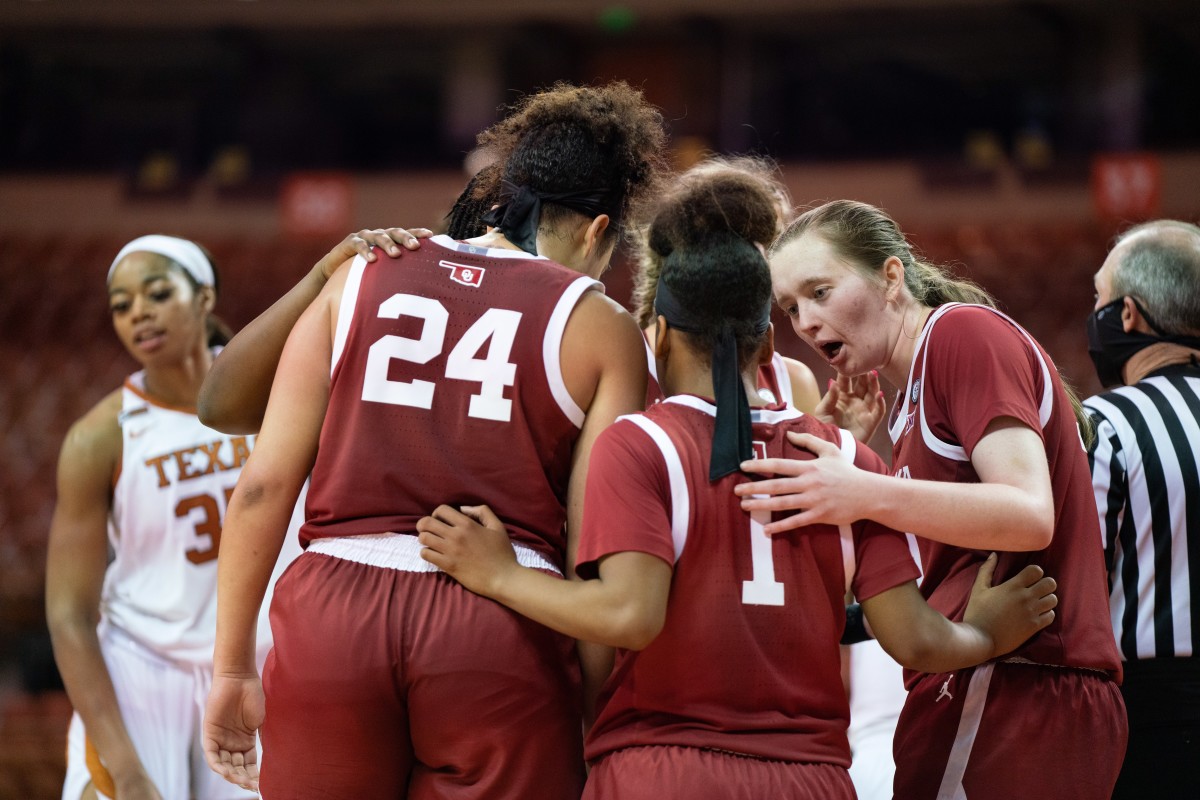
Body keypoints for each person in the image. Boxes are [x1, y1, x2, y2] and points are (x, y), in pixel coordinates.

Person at [415, 216, 1058, 798]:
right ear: (769, 345)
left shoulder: (639, 443)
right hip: (811, 778)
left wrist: (500, 575)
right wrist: (988, 634)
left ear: (659, 334)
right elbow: (914, 640)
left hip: (663, 768)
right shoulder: (846, 461)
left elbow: (625, 615)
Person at [202, 81, 666, 798]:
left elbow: (263, 484)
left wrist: (232, 666)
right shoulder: (598, 324)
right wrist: (593, 704)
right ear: (600, 230)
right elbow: (590, 550)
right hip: (498, 622)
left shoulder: (363, 270)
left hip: (334, 610)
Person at [738, 199, 1127, 799]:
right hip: (1005, 686)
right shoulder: (910, 404)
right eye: (790, 308)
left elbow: (1028, 514)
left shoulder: (959, 333)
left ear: (891, 277)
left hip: (1016, 684)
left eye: (820, 291)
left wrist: (865, 490)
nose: (806, 322)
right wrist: (855, 456)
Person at [45, 236, 297, 800]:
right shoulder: (100, 436)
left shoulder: (282, 396)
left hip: (258, 662)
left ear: (203, 296)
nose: (139, 312)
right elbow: (68, 615)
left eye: (157, 293)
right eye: (121, 304)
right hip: (143, 665)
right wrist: (125, 767)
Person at [629, 155, 885, 436]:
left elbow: (810, 479)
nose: (746, 259)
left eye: (766, 245)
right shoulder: (629, 361)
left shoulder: (792, 380)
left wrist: (839, 448)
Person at [1083, 219, 1200, 799]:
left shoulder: (1106, 423)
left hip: (1152, 710)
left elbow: (1073, 583)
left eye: (1099, 298)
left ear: (1127, 315)